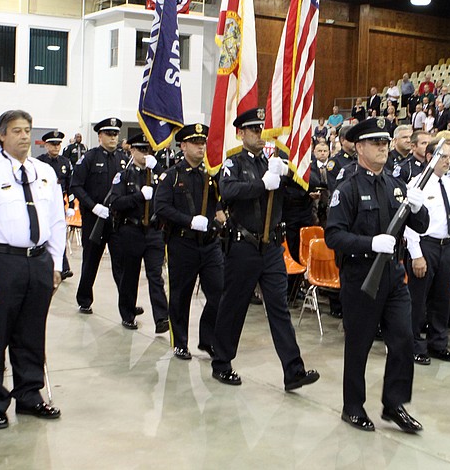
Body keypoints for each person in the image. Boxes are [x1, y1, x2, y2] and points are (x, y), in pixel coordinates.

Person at [325, 117, 428, 433]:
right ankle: (352, 406)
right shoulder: (348, 188)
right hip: (361, 276)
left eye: (385, 142)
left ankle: (394, 404)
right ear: (359, 147)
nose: (383, 147)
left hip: (394, 275)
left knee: (403, 339)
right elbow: (334, 236)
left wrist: (419, 207)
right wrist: (370, 242)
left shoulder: (396, 186)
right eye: (375, 143)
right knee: (359, 344)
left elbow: (420, 226)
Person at [0, 109, 65, 430]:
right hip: (4, 262)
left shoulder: (45, 172)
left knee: (32, 331)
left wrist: (56, 263)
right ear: (2, 137)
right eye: (17, 131)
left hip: (38, 261)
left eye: (27, 130)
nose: (24, 136)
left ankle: (29, 395)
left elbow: (56, 221)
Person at [212, 108, 319, 391]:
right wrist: (261, 185)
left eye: (261, 129)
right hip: (243, 246)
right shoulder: (233, 164)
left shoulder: (273, 162)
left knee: (279, 307)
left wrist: (290, 172)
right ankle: (222, 362)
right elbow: (229, 191)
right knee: (233, 306)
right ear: (240, 133)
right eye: (253, 130)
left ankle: (293, 370)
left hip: (272, 247)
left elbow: (309, 188)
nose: (259, 134)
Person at [154, 124, 224, 359]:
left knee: (218, 292)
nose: (201, 147)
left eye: (203, 142)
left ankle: (208, 339)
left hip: (210, 244)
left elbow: (221, 202)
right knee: (181, 296)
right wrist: (188, 221)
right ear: (183, 146)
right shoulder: (172, 176)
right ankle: (180, 342)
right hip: (182, 243)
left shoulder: (211, 175)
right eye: (195, 143)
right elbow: (161, 207)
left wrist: (220, 216)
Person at [404, 139, 450, 366]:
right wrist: (416, 254)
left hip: (447, 247)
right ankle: (414, 345)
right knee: (418, 300)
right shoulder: (416, 185)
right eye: (443, 156)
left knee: (442, 299)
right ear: (430, 157)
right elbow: (410, 224)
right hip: (425, 246)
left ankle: (438, 343)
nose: (448, 161)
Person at [105, 134, 169, 331]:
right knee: (129, 276)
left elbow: (171, 189)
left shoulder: (158, 175)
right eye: (141, 150)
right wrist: (138, 197)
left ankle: (162, 318)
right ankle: (128, 313)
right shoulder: (123, 176)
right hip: (131, 230)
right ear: (132, 151)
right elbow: (114, 202)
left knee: (155, 275)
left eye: (148, 150)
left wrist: (157, 168)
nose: (144, 154)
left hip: (153, 232)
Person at [70, 117, 128, 314]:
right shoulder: (89, 158)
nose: (113, 138)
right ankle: (84, 299)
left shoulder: (123, 159)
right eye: (109, 134)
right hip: (94, 218)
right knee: (91, 260)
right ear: (100, 136)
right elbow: (76, 186)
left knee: (121, 264)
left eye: (115, 134)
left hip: (117, 220)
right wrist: (93, 206)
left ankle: (127, 305)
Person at [36, 131, 74, 279]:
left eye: (58, 144)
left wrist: (70, 205)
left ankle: (63, 267)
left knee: (59, 233)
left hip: (60, 203)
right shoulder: (39, 163)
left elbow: (70, 185)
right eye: (53, 144)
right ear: (46, 145)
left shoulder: (65, 162)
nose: (56, 147)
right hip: (44, 202)